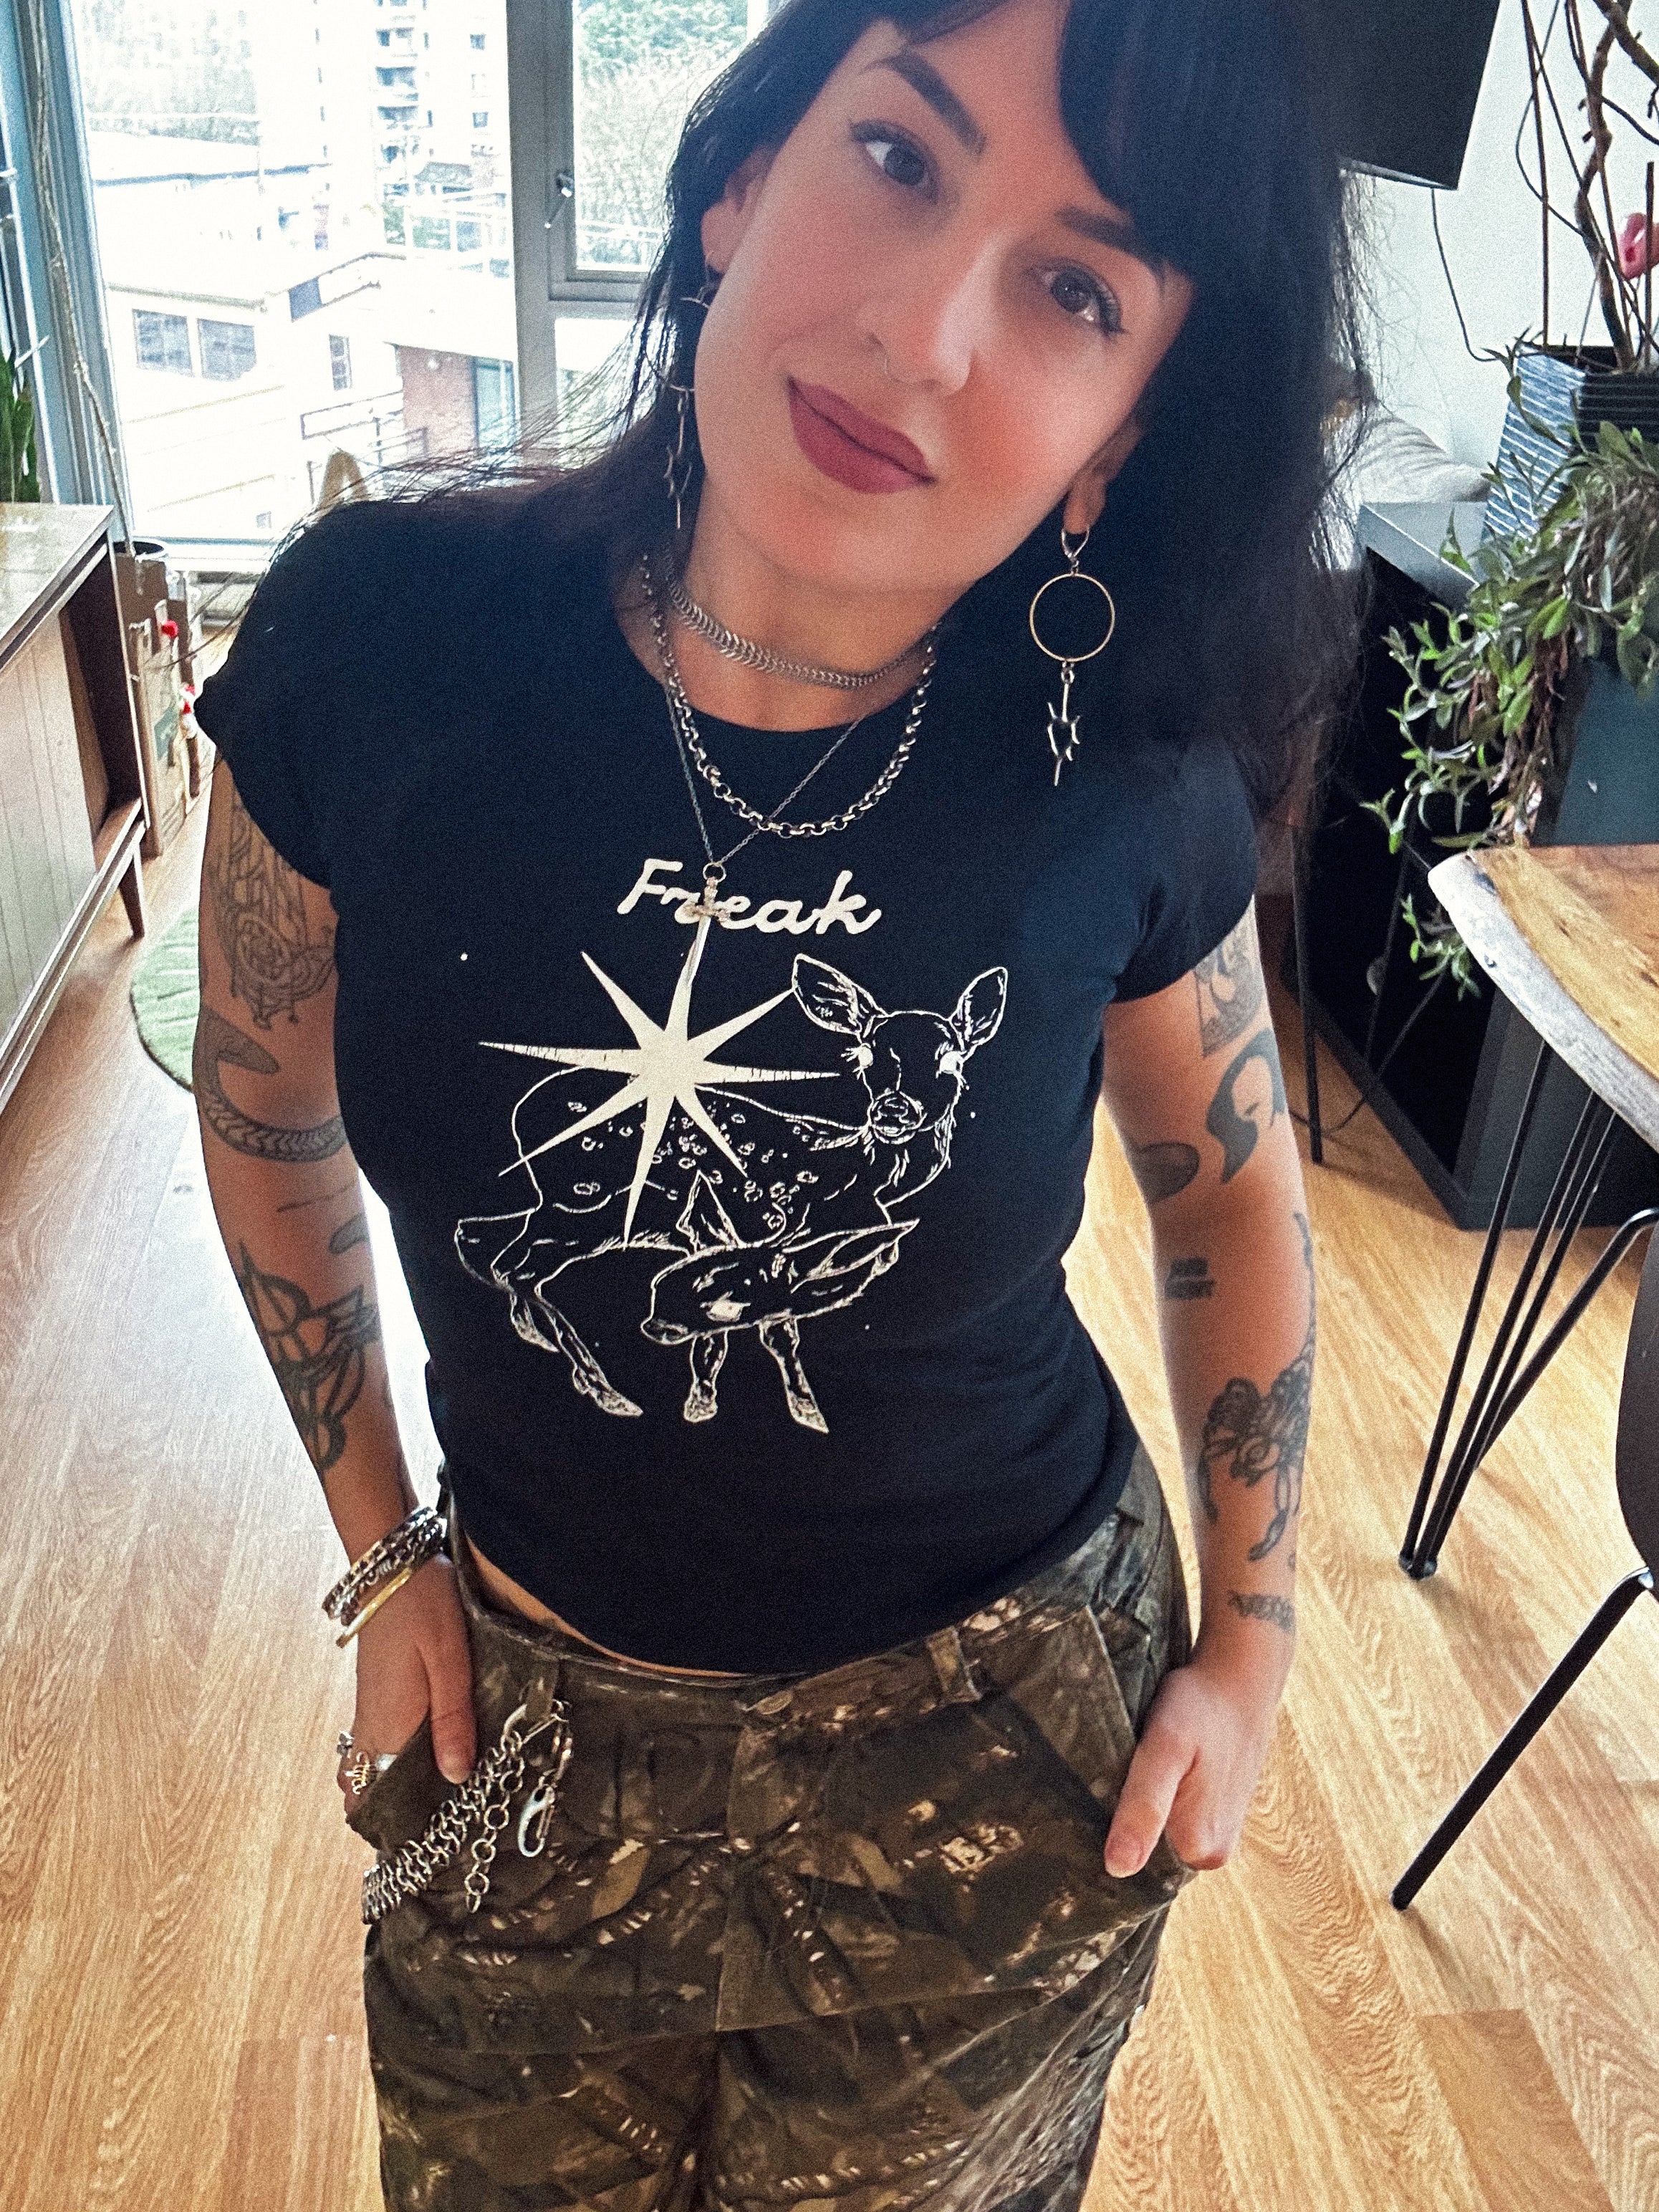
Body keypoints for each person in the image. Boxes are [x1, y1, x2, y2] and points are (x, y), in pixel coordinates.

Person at [189, 0, 1367, 2202]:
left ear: (1120, 430)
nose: (921, 334)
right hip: (517, 1720)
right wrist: (385, 1559)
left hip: (995, 1752)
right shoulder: (375, 645)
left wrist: (1248, 1651)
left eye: (1073, 288)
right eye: (899, 157)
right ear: (742, 172)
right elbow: (265, 1125)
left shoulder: (1124, 777)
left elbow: (1226, 1198)